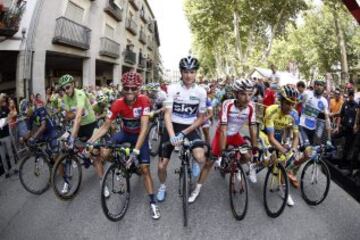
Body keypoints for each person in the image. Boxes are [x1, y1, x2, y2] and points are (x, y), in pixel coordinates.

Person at [88, 72, 160, 220]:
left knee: (145, 169)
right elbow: (105, 127)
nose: (129, 91)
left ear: (138, 88)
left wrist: (135, 151)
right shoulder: (117, 103)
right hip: (125, 134)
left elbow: (145, 127)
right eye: (126, 88)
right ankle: (120, 164)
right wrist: (91, 140)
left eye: (133, 88)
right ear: (123, 88)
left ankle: (153, 202)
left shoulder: (144, 100)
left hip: (140, 136)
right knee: (104, 152)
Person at [188, 79, 258, 203]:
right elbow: (224, 129)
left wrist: (255, 148)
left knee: (247, 157)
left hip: (235, 135)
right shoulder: (227, 104)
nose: (247, 98)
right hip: (222, 134)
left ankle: (234, 167)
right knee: (209, 163)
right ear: (236, 94)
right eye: (243, 94)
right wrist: (223, 150)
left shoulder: (251, 106)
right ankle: (197, 190)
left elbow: (252, 128)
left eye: (250, 94)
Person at [157, 56, 207, 202]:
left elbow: (201, 117)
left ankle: (193, 161)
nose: (189, 75)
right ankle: (162, 187)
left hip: (190, 127)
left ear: (196, 73)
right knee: (161, 166)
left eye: (192, 72)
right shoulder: (172, 88)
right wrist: (173, 136)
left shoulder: (201, 92)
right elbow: (167, 114)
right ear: (181, 72)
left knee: (200, 157)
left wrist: (184, 133)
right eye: (185, 71)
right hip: (172, 126)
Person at [58, 74, 105, 195]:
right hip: (78, 126)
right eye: (63, 89)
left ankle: (103, 183)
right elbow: (69, 115)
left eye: (68, 87)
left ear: (73, 84)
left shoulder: (80, 94)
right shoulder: (65, 98)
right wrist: (72, 115)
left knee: (95, 156)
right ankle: (67, 181)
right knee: (64, 146)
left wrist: (72, 137)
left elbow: (78, 117)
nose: (66, 91)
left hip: (90, 125)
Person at [263, 85, 300, 206]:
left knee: (283, 162)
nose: (290, 107)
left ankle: (283, 190)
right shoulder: (271, 110)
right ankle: (255, 165)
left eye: (293, 104)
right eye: (288, 103)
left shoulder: (294, 115)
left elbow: (296, 136)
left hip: (278, 135)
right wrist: (282, 149)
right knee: (270, 157)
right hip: (265, 134)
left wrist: (293, 150)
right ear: (281, 101)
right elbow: (270, 137)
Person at [333, 90, 359, 174]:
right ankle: (332, 155)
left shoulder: (356, 105)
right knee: (334, 137)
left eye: (352, 95)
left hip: (351, 131)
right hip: (343, 128)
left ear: (353, 96)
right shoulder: (345, 103)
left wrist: (355, 127)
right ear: (348, 95)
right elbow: (341, 115)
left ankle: (342, 165)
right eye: (350, 95)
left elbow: (357, 118)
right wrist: (337, 126)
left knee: (347, 148)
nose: (351, 96)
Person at [0, 93, 17, 178]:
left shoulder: (5, 108)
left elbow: (11, 114)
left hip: (6, 135)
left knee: (10, 153)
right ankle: (7, 172)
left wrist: (6, 121)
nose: (3, 100)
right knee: (3, 156)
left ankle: (14, 168)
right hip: (0, 138)